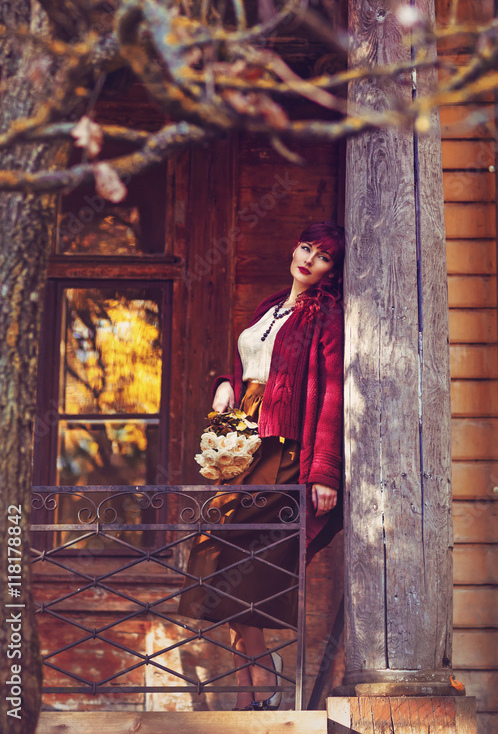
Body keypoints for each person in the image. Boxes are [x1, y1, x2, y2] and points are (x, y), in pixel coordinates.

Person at [179, 220, 345, 710]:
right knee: (220, 552)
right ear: (296, 247)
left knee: (249, 557)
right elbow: (252, 363)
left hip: (283, 447)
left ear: (331, 272)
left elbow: (331, 392)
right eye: (307, 248)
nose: (309, 259)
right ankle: (255, 687)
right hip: (243, 436)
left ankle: (261, 684)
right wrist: (225, 383)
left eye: (324, 257)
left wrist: (325, 471)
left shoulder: (327, 315)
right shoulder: (269, 306)